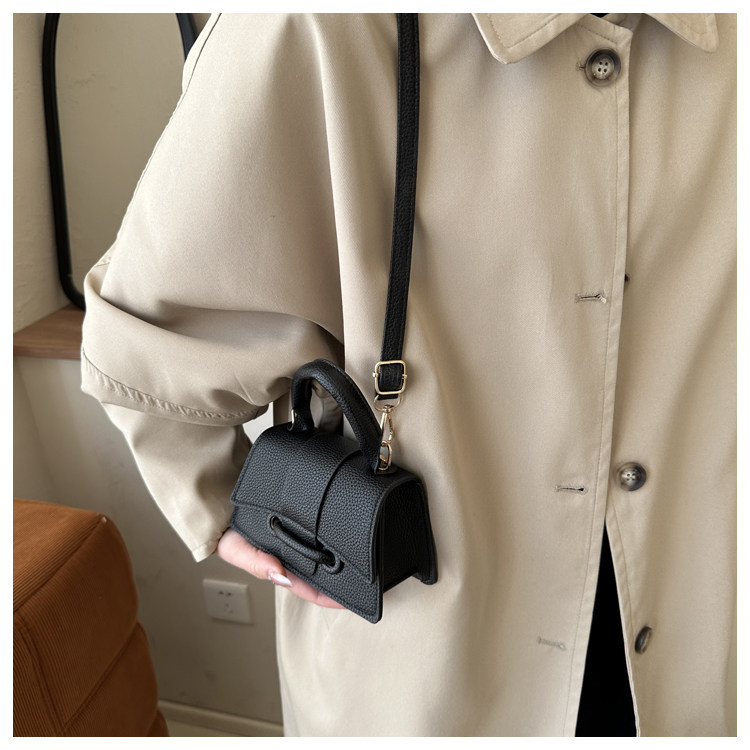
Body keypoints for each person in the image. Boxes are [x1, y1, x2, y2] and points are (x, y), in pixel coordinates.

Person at [81, 13, 736, 736]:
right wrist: (223, 504)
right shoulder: (318, 26)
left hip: (706, 649)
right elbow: (145, 338)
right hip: (429, 666)